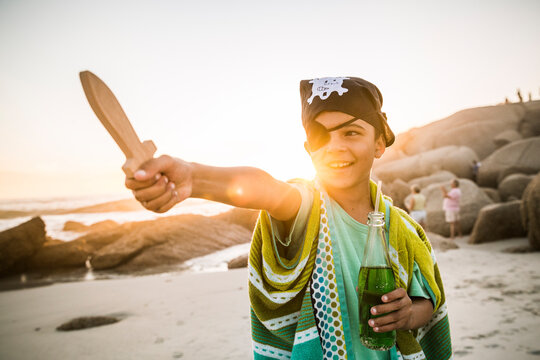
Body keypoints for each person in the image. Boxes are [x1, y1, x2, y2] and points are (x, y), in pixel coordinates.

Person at [125, 77, 452, 359]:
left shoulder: (403, 228)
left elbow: (428, 301)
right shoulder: (306, 209)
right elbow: (267, 190)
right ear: (309, 148)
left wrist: (408, 313)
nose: (335, 147)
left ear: (379, 142)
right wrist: (195, 178)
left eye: (351, 132)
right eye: (321, 137)